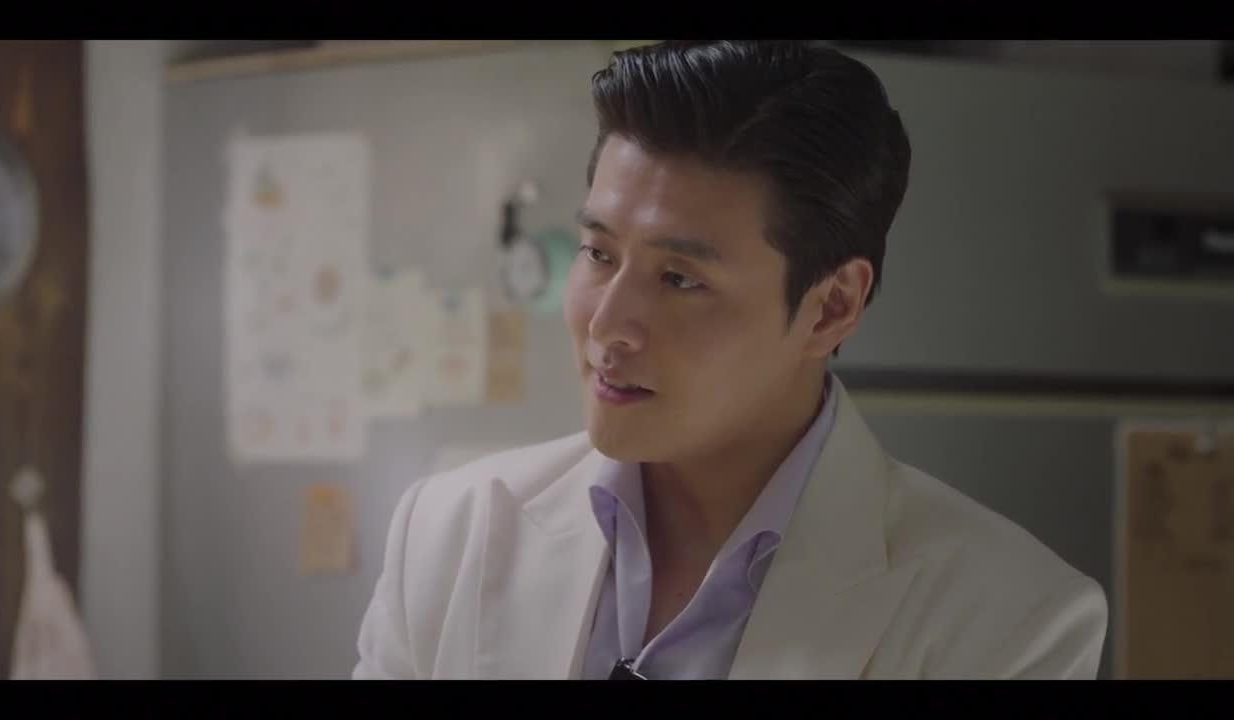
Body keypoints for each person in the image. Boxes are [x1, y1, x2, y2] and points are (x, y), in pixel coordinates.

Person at [352, 40, 1108, 680]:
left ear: (831, 306)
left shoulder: (1010, 619)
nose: (607, 326)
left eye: (679, 279)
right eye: (598, 253)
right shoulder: (451, 533)